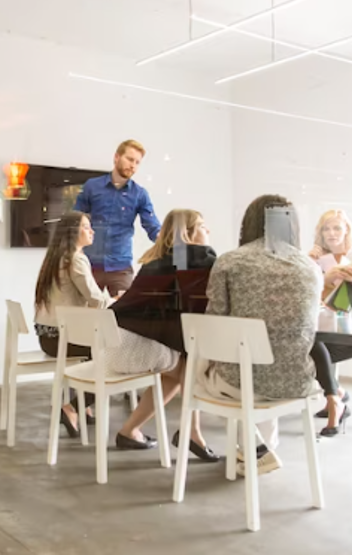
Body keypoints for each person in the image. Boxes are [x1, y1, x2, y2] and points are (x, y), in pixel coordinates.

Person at [198, 195, 322, 476]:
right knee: (262, 366)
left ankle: (257, 449)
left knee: (209, 370)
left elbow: (214, 324)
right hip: (296, 380)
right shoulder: (311, 267)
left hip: (242, 380)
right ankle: (256, 452)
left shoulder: (230, 262)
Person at [109, 209, 219, 459]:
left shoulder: (158, 260)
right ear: (187, 233)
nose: (208, 230)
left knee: (177, 372)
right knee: (190, 370)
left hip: (112, 342)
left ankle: (130, 430)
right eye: (202, 225)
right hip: (132, 346)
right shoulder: (198, 256)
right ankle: (192, 434)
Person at [34, 211, 114, 437]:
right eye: (86, 227)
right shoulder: (75, 258)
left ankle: (84, 407)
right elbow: (96, 300)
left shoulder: (56, 257)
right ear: (72, 232)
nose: (92, 231)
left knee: (96, 351)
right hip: (62, 339)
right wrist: (119, 300)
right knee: (114, 356)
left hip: (48, 337)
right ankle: (72, 407)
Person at [307, 209, 352, 434]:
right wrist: (308, 266)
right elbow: (309, 297)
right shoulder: (316, 258)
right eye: (326, 228)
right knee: (306, 343)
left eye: (336, 228)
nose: (331, 233)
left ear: (346, 231)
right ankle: (337, 396)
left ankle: (335, 399)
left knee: (309, 347)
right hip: (326, 325)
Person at [74, 139, 161, 295]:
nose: (133, 165)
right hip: (90, 264)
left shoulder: (140, 194)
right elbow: (75, 221)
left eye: (137, 162)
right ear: (117, 157)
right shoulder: (92, 186)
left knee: (126, 314)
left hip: (121, 267)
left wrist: (169, 242)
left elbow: (152, 226)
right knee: (84, 314)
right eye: (130, 159)